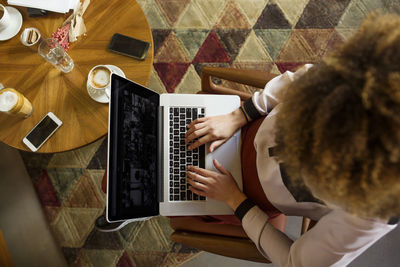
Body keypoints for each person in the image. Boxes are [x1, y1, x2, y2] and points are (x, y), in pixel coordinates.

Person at [185, 13, 400, 266]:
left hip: (250, 197)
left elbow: (293, 261)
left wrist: (236, 200)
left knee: (176, 207)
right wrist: (240, 116)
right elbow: (301, 77)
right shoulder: (368, 75)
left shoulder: (374, 214)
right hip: (249, 124)